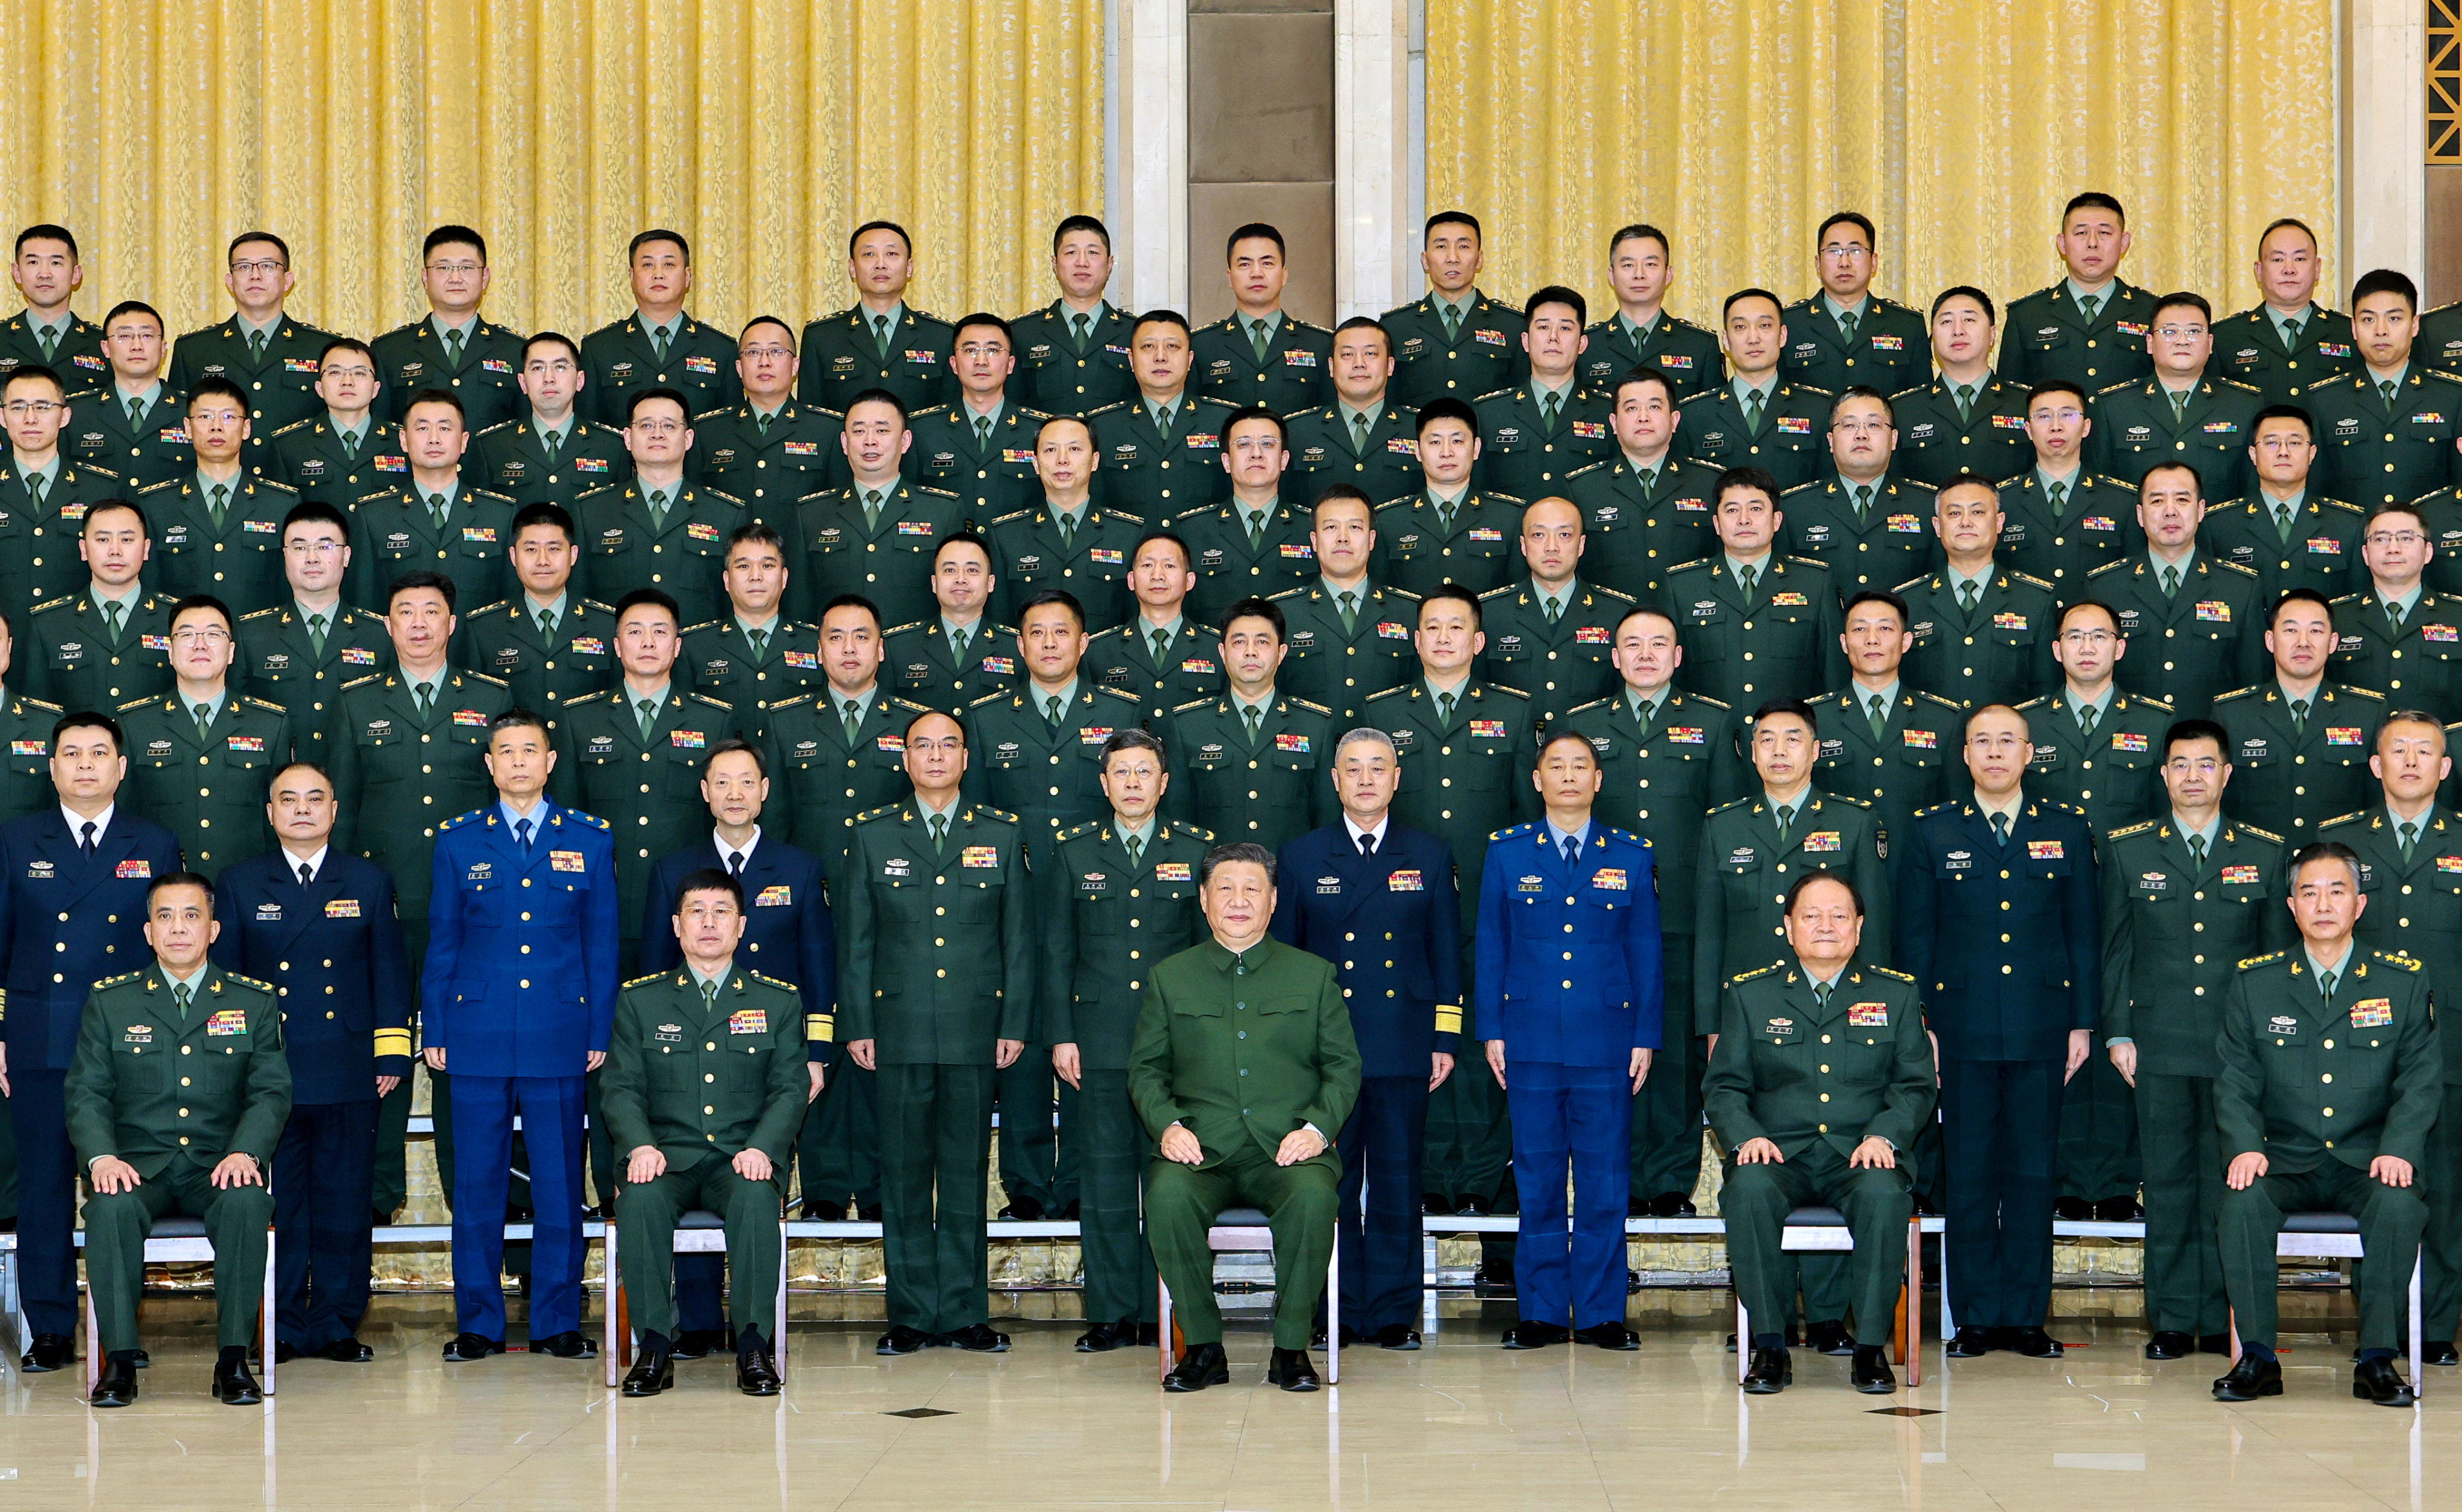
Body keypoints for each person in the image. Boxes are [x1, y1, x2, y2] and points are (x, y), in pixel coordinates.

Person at [1896, 704, 2098, 1357]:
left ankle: (2027, 1316)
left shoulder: (2065, 830)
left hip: (2044, 1027)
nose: (1993, 752)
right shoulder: (1932, 832)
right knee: (1973, 1173)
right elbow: (1915, 940)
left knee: (2035, 1174)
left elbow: (2084, 937)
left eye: (2006, 741)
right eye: (1981, 741)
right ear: (1964, 755)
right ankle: (1977, 1315)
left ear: (2029, 752)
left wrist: (2083, 1021)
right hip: (1961, 1029)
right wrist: (1919, 1024)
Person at [2212, 841, 2439, 1407]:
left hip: (2367, 1157)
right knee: (2240, 1202)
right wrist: (2244, 1145)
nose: (2322, 903)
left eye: (2336, 890)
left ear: (2359, 904)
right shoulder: (2254, 982)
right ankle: (2258, 1358)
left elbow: (2420, 1078)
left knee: (2398, 1202)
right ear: (2290, 905)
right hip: (2284, 1156)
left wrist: (2398, 1148)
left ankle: (2377, 1358)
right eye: (2308, 892)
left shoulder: (2402, 981)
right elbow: (2234, 1078)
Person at [424, 709, 618, 1363]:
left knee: (560, 1182)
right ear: (489, 763)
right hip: (475, 1029)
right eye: (504, 751)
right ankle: (477, 1321)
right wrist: (436, 1021)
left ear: (550, 761)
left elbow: (601, 942)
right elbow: (443, 939)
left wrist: (598, 1025)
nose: (517, 762)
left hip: (560, 1029)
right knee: (477, 1182)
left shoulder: (590, 839)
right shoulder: (458, 841)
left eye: (529, 750)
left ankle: (557, 1319)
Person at [839, 709, 1033, 1355]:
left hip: (977, 1028)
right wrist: (858, 1023)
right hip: (896, 1030)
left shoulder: (1001, 833)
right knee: (902, 1175)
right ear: (904, 758)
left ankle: (964, 1311)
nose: (936, 755)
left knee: (965, 1173)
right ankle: (912, 1313)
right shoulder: (872, 835)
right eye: (922, 745)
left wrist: (1013, 1021)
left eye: (949, 744)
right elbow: (857, 943)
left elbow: (1018, 939)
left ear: (967, 757)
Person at [1135, 840, 1361, 1392]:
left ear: (1274, 899)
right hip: (1201, 1150)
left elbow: (1343, 1065)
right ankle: (1205, 1347)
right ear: (1203, 900)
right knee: (1165, 1197)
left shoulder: (1312, 975)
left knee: (1313, 1199)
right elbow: (1144, 1070)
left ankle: (1289, 1349)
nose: (1239, 901)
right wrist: (1167, 1125)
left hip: (1287, 1150)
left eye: (1252, 889)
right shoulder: (1171, 977)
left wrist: (1315, 1130)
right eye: (1225, 889)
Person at [2100, 719, 2291, 1360]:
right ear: (2163, 774)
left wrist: (2271, 1047)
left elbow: (2273, 963)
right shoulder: (2130, 849)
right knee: (2170, 1181)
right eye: (2180, 764)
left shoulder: (2265, 851)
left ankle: (2223, 1317)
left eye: (2205, 764)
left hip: (2236, 1050)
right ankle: (2175, 1319)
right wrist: (2118, 1031)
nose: (2192, 776)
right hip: (2157, 1042)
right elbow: (2116, 950)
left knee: (2228, 1182)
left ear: (2227, 773)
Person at [0, 713, 184, 1374]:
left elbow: (172, 950)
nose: (85, 764)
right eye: (70, 753)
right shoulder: (17, 840)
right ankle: (49, 1327)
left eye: (98, 753)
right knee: (44, 1187)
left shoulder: (156, 844)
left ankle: (119, 1327)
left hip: (128, 1042)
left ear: (122, 766)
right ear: (49, 767)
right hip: (39, 1035)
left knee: (121, 1187)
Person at [210, 759, 411, 1365]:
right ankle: (280, 1323)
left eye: (315, 798)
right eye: (288, 799)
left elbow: (389, 972)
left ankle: (336, 1322)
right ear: (269, 813)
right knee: (284, 1202)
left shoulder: (368, 881)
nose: (302, 809)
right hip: (272, 1070)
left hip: (349, 1064)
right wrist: (236, 1066)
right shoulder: (241, 883)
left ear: (334, 810)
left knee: (345, 1198)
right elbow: (229, 987)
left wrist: (391, 1051)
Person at [328, 571, 514, 1220]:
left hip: (470, 917)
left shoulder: (491, 698)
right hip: (385, 911)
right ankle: (377, 1199)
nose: (417, 623)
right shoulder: (356, 701)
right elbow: (341, 812)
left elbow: (507, 810)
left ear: (452, 623)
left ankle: (479, 1200)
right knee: (382, 1057)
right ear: (386, 624)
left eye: (431, 611)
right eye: (403, 611)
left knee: (465, 1065)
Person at [69, 870, 289, 1408]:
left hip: (219, 1164)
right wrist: (101, 1157)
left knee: (245, 1201)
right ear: (148, 932)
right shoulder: (111, 1002)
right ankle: (119, 1362)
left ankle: (233, 1359)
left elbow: (271, 1092)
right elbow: (86, 1092)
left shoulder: (252, 1002)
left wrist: (246, 1150)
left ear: (213, 928)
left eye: (192, 915)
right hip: (137, 1166)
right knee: (109, 1209)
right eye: (165, 916)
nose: (179, 928)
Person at [1272, 727, 1462, 1348]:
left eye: (1377, 767)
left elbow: (1446, 956)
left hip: (1403, 1040)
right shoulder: (1302, 855)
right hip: (1327, 1049)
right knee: (1331, 1182)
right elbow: (1287, 962)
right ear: (1334, 778)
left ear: (1396, 777)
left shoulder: (1429, 854)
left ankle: (1390, 1312)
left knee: (1399, 1182)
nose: (1365, 779)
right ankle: (1336, 1309)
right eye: (1352, 768)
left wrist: (1446, 1036)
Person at [1708, 870, 1931, 1395]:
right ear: (1788, 927)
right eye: (1810, 915)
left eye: (1838, 915)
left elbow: (1915, 1085)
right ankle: (1769, 1345)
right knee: (1748, 1189)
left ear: (1858, 926)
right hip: (1778, 1155)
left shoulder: (1894, 995)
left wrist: (1885, 1135)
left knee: (1884, 1194)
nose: (1825, 925)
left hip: (1859, 1154)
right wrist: (1746, 1138)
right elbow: (1723, 1087)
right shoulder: (1751, 995)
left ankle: (1870, 1347)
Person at [1562, 606, 1751, 1215]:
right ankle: (1611, 1176)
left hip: (1681, 918)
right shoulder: (1583, 724)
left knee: (1670, 1053)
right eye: (1632, 644)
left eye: (1659, 644)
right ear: (1614, 657)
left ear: (1678, 656)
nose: (1645, 655)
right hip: (1596, 920)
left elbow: (1726, 824)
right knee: (1606, 1052)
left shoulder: (1712, 723)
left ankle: (1669, 1181)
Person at [1478, 732, 1661, 1350]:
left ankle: (1605, 1311)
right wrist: (1491, 1029)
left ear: (1598, 779)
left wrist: (1645, 1035)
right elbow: (1491, 945)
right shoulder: (1506, 853)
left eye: (1580, 766)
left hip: (1607, 1040)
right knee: (1537, 1177)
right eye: (1555, 766)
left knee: (1606, 1180)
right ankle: (1545, 1312)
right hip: (1528, 1038)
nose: (1568, 776)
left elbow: (1646, 951)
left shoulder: (1632, 855)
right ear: (1537, 780)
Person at [604, 868, 808, 1398]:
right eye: (697, 911)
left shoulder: (777, 1001)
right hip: (666, 1157)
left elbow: (789, 1089)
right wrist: (639, 1146)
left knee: (756, 1201)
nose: (709, 923)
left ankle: (753, 1345)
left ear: (741, 926)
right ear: (676, 926)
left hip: (741, 1158)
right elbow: (621, 1088)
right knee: (641, 1198)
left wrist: (764, 1146)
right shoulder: (640, 1001)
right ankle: (653, 1345)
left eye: (722, 912)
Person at [638, 744, 835, 1281]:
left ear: (764, 791)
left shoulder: (799, 867)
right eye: (722, 783)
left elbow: (818, 969)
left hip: (770, 1060)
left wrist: (815, 1054)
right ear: (705, 793)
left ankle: (751, 1325)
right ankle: (699, 1322)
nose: (734, 794)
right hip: (685, 1056)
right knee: (687, 1167)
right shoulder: (673, 869)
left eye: (746, 782)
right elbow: (653, 974)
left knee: (753, 1178)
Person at [1371, 583, 1535, 1225]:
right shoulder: (1383, 710)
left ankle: (1480, 1176)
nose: (1443, 638)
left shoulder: (1514, 713)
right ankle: (1433, 1172)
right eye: (1431, 627)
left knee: (1488, 1042)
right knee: (1423, 1041)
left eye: (1456, 627)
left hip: (1492, 910)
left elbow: (1527, 817)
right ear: (1415, 641)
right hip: (1405, 907)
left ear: (1479, 641)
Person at [1044, 729, 1212, 1351]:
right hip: (1099, 1043)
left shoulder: (1196, 850)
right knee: (1107, 1183)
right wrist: (1061, 1034)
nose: (1134, 783)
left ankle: (1164, 1308)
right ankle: (1113, 1311)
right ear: (1104, 782)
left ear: (1164, 783)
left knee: (1171, 1184)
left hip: (1176, 1050)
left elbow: (1207, 956)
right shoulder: (1073, 852)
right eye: (1122, 772)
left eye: (1146, 771)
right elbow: (1057, 950)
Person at [758, 598, 920, 1221]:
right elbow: (775, 821)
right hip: (810, 909)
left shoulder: (911, 722)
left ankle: (879, 1183)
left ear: (882, 649)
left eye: (862, 636)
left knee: (881, 1044)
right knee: (817, 1037)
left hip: (893, 912)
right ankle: (824, 1183)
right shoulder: (786, 719)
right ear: (817, 650)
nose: (849, 648)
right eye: (835, 637)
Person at [2321, 714, 2462, 1363]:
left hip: (2451, 1045)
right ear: (2374, 765)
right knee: (2374, 1183)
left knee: (2445, 1189)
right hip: (2357, 1051)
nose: (2410, 761)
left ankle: (2432, 1328)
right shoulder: (2339, 845)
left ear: (2445, 766)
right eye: (2397, 751)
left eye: (2424, 751)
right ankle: (2376, 1321)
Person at [550, 589, 748, 981]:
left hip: (688, 905)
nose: (647, 642)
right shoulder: (580, 719)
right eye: (635, 632)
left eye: (659, 632)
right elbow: (565, 819)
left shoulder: (712, 720)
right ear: (617, 645)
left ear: (676, 646)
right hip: (604, 900)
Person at [116, 593, 292, 874]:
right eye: (186, 635)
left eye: (213, 634)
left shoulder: (270, 724)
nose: (200, 644)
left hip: (247, 889)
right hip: (163, 889)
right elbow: (123, 820)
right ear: (170, 652)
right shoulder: (135, 724)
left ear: (232, 651)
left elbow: (281, 820)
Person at [2086, 462, 2267, 721]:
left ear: (2201, 510)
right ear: (2140, 514)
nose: (2170, 512)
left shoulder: (2240, 588)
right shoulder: (2105, 587)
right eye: (2157, 501)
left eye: (2182, 500)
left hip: (2206, 747)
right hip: (2129, 745)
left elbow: (2252, 687)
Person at [1664, 467, 1846, 709]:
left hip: (1789, 742)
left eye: (1756, 508)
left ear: (1776, 520)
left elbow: (1833, 676)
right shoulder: (1682, 586)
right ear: (1717, 524)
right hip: (1709, 741)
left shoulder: (1814, 582)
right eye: (1732, 510)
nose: (1744, 519)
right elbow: (1670, 681)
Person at [1168, 595, 1336, 852]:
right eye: (1239, 641)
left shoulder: (1315, 726)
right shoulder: (1188, 725)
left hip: (1290, 881)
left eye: (1262, 641)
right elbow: (1178, 823)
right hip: (1217, 884)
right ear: (1222, 652)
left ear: (1281, 653)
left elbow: (1327, 821)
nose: (1250, 651)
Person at [2212, 590, 2383, 841]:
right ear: (2270, 641)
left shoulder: (2366, 713)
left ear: (2333, 642)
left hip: (2335, 869)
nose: (2303, 642)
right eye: (2291, 630)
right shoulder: (2232, 714)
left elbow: (2377, 809)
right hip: (2257, 869)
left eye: (2316, 631)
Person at [166, 232, 340, 474]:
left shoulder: (323, 348)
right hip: (221, 485)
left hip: (301, 485)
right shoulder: (195, 349)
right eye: (244, 267)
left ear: (287, 280)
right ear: (230, 281)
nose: (255, 275)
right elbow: (182, 431)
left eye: (268, 266)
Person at [571, 388, 743, 628]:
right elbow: (580, 604)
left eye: (670, 426)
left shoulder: (726, 514)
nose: (657, 435)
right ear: (628, 438)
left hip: (698, 660)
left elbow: (734, 606)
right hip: (618, 658)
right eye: (646, 426)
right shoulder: (591, 510)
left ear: (689, 438)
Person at [795, 389, 964, 632]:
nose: (870, 441)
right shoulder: (810, 514)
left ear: (905, 441)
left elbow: (958, 604)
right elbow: (800, 606)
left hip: (918, 662)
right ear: (844, 442)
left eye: (882, 430)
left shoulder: (942, 512)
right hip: (841, 663)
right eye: (859, 431)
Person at [1813, 589, 1967, 850]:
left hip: (1916, 869)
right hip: (1837, 871)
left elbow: (1957, 811)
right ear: (1843, 642)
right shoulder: (1815, 718)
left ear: (1906, 642)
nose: (1872, 640)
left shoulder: (1943, 721)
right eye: (1860, 630)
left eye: (1885, 629)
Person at [1893, 473, 2060, 710]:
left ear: (2000, 522)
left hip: (2002, 745)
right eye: (1954, 513)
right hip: (1931, 742)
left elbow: (2046, 696)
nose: (1965, 522)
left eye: (1978, 512)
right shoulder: (1908, 602)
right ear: (1938, 526)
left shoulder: (2035, 601)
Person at [137, 378, 303, 614]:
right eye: (205, 417)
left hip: (259, 643)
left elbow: (291, 591)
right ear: (187, 427)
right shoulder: (156, 505)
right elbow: (150, 594)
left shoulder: (281, 504)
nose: (216, 426)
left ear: (246, 428)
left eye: (228, 417)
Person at [2012, 598, 2173, 839]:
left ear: (2119, 649)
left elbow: (2166, 813)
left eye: (2099, 637)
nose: (2087, 648)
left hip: (2126, 870)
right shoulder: (2025, 723)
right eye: (2075, 637)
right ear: (2057, 650)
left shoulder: (2156, 723)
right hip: (2050, 867)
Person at [346, 388, 519, 611]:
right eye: (422, 428)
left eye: (445, 428)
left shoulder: (500, 515)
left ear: (464, 441)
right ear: (404, 440)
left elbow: (512, 606)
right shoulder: (373, 516)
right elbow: (365, 607)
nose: (434, 439)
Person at [2305, 269, 2462, 510]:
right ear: (2354, 328)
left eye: (2394, 319)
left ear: (2415, 325)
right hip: (2356, 545)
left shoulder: (2451, 396)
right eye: (2368, 319)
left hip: (2430, 545)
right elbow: (2316, 496)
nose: (2381, 331)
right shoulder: (2325, 400)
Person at [1564, 365, 1726, 599]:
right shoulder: (1581, 488)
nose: (1643, 417)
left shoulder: (1710, 482)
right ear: (1614, 423)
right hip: (1613, 626)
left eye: (1654, 407)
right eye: (1631, 408)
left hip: (1689, 625)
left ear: (1674, 420)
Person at [2083, 292, 2264, 497]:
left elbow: (2254, 491)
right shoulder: (2114, 406)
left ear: (2210, 343)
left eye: (2194, 331)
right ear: (2150, 343)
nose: (2183, 341)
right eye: (2170, 332)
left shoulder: (2244, 404)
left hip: (2221, 528)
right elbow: (2101, 491)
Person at [457, 502, 620, 730]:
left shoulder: (607, 625)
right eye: (531, 549)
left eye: (554, 549)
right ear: (513, 556)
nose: (543, 560)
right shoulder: (483, 629)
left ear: (573, 555)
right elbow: (477, 710)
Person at [1475, 495, 1632, 732]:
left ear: (1581, 545)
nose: (1551, 546)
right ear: (1523, 545)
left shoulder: (1617, 614)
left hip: (1590, 755)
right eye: (1539, 535)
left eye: (1565, 535)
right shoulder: (1489, 613)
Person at [1270, 486, 1419, 729]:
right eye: (1331, 527)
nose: (1343, 537)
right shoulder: (1282, 614)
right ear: (1314, 541)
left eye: (1355, 527)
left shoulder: (1408, 612)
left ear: (1371, 539)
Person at [987, 414, 1143, 633]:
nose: (1062, 460)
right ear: (1036, 463)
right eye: (1051, 450)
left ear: (1095, 461)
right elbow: (1000, 624)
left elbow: (1135, 623)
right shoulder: (1006, 535)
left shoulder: (1128, 533)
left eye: (1075, 449)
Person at [1778, 386, 1940, 596]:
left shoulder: (1926, 506)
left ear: (1893, 439)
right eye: (1849, 425)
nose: (1861, 435)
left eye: (1873, 425)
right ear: (1830, 441)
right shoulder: (1795, 509)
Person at [2199, 406, 2366, 605]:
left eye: (2294, 443)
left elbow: (2356, 604)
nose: (2283, 452)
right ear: (2253, 454)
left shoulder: (2347, 525)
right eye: (2271, 443)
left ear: (2312, 453)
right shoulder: (2219, 525)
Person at [23, 499, 177, 712]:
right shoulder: (49, 624)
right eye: (103, 539)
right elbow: (37, 714)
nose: (115, 550)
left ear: (146, 549)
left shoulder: (175, 618)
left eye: (127, 539)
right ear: (84, 549)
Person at [1995, 379, 2145, 598]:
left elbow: (2134, 579)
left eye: (2068, 415)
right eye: (2043, 416)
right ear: (2028, 429)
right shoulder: (2001, 500)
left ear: (2086, 427)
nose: (2056, 426)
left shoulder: (2122, 501)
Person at [1996, 193, 2158, 393]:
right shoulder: (2027, 315)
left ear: (2124, 243)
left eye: (2104, 233)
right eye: (2081, 233)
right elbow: (2011, 399)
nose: (2092, 243)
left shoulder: (2153, 312)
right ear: (2062, 244)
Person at [1675, 289, 1834, 491]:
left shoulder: (1819, 410)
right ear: (1726, 340)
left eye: (1765, 326)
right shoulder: (1693, 415)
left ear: (1783, 335)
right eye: (1740, 327)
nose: (1753, 338)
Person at [370, 226, 525, 431]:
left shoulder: (516, 351)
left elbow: (526, 430)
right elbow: (381, 431)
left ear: (485, 277)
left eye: (467, 268)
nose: (455, 278)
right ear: (425, 277)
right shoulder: (390, 350)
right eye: (443, 268)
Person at [1, 362, 127, 612]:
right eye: (18, 407)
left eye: (43, 407)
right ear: (2, 417)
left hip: (77, 640)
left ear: (65, 416)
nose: (30, 418)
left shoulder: (102, 489)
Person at [1172, 406, 1314, 629]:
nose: (1256, 453)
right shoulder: (1192, 530)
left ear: (1284, 459)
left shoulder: (1310, 528)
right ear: (1227, 462)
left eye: (1267, 444)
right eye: (1244, 445)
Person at [580, 230, 740, 426]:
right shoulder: (599, 348)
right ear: (632, 275)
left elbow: (732, 431)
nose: (658, 274)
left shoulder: (720, 349)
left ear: (687, 276)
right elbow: (587, 430)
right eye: (648, 265)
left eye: (669, 265)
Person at [1087, 310, 1236, 519]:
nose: (1160, 357)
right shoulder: (1102, 427)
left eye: (1172, 346)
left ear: (1190, 358)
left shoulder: (1224, 422)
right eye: (1148, 347)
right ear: (1131, 359)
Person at [679, 523, 824, 738]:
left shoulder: (816, 644)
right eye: (743, 566)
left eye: (767, 566)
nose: (756, 576)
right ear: (726, 580)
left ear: (784, 578)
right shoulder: (694, 647)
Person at [687, 316, 848, 509]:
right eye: (753, 352)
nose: (764, 362)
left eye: (776, 351)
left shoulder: (828, 430)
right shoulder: (707, 431)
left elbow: (838, 507)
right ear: (739, 368)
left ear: (795, 366)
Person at [1471, 287, 1613, 501]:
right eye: (1544, 327)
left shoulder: (1607, 412)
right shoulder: (1489, 413)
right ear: (1526, 341)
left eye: (1565, 328)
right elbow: (1477, 496)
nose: (1553, 338)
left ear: (1582, 344)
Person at [1370, 398, 1525, 596]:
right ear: (1417, 451)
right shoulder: (1388, 520)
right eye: (1435, 442)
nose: (1446, 452)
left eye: (1457, 441)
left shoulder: (1508, 517)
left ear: (1476, 448)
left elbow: (1517, 597)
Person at [797, 221, 953, 415]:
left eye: (892, 254)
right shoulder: (822, 336)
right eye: (869, 255)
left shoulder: (941, 336)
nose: (880, 264)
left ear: (909, 267)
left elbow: (950, 416)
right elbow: (812, 418)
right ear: (852, 268)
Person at [471, 331, 635, 512]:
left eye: (560, 367)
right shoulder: (492, 446)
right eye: (537, 368)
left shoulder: (613, 447)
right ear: (523, 383)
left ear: (580, 381)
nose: (549, 378)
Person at [2330, 504, 2462, 723]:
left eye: (2406, 538)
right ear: (2365, 553)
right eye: (2381, 539)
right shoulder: (2335, 618)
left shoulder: (2457, 616)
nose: (2393, 548)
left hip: (2440, 754)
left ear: (2428, 552)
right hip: (2360, 754)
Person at [1889, 287, 2033, 487]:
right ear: (1932, 338)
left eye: (1969, 320)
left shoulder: (2027, 404)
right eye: (1947, 321)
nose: (1958, 330)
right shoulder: (1902, 410)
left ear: (1992, 334)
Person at [910, 313, 1044, 526]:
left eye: (993, 350)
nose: (981, 361)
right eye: (970, 350)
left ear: (1010, 365)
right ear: (954, 364)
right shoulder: (922, 430)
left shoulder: (1039, 431)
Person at [1382, 212, 1527, 408]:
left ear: (1479, 259)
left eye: (1464, 247)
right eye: (1441, 247)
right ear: (1425, 260)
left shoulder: (1513, 325)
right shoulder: (1396, 326)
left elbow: (1523, 401)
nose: (1453, 258)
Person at [1778, 212, 1928, 396]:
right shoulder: (1788, 323)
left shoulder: (1907, 324)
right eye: (1834, 251)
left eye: (1855, 251)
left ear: (1874, 262)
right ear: (1818, 264)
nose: (1844, 263)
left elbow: (1920, 404)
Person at [2211, 218, 2357, 405]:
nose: (2289, 269)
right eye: (2278, 259)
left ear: (2317, 269)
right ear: (2259, 271)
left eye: (2300, 259)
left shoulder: (2349, 333)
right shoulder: (2224, 338)